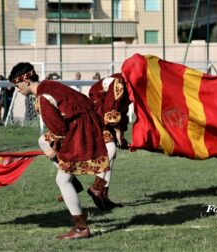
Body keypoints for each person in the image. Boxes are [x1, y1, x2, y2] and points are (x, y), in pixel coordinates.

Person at [9, 62, 109, 240]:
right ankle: (75, 183)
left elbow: (59, 130)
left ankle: (81, 227)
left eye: (17, 86)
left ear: (25, 81)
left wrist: (55, 152)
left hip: (79, 131)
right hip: (86, 124)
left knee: (62, 180)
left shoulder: (42, 98)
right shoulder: (50, 85)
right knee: (42, 140)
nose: (17, 90)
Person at [87, 73, 131, 210]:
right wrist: (119, 133)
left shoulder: (126, 84)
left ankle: (103, 195)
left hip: (104, 113)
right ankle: (96, 188)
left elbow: (121, 110)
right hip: (98, 113)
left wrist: (121, 135)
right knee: (110, 150)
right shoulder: (120, 82)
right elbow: (111, 109)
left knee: (112, 154)